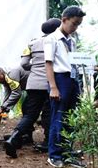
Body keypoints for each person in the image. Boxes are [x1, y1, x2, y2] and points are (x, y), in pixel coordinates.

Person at [11, 18, 62, 155]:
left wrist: (36, 67)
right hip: (49, 82)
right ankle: (47, 141)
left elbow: (23, 64)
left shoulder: (32, 43)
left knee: (30, 114)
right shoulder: (58, 41)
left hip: (33, 82)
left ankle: (13, 137)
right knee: (48, 112)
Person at [44, 6, 86, 168]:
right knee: (58, 118)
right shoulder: (52, 39)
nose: (75, 28)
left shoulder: (72, 41)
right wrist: (53, 87)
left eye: (78, 25)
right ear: (64, 20)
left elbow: (73, 64)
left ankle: (67, 153)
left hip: (72, 80)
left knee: (70, 120)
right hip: (59, 80)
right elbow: (48, 64)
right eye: (74, 24)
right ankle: (54, 155)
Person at [0, 66, 29, 158]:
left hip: (40, 89)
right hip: (33, 90)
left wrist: (2, 107)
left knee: (29, 111)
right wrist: (2, 108)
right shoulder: (6, 80)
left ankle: (17, 137)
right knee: (26, 109)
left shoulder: (11, 76)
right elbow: (8, 93)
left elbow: (16, 93)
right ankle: (27, 136)